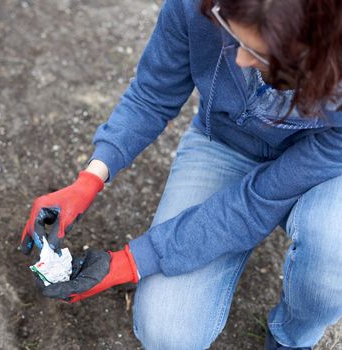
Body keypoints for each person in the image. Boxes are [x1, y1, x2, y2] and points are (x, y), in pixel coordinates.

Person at [20, 0, 342, 349]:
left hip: (324, 170)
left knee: (333, 257)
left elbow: (256, 201)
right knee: (167, 333)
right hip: (224, 143)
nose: (240, 61)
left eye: (258, 53)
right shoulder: (200, 6)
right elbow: (151, 94)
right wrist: (90, 178)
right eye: (233, 38)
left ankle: (291, 337)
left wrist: (132, 261)